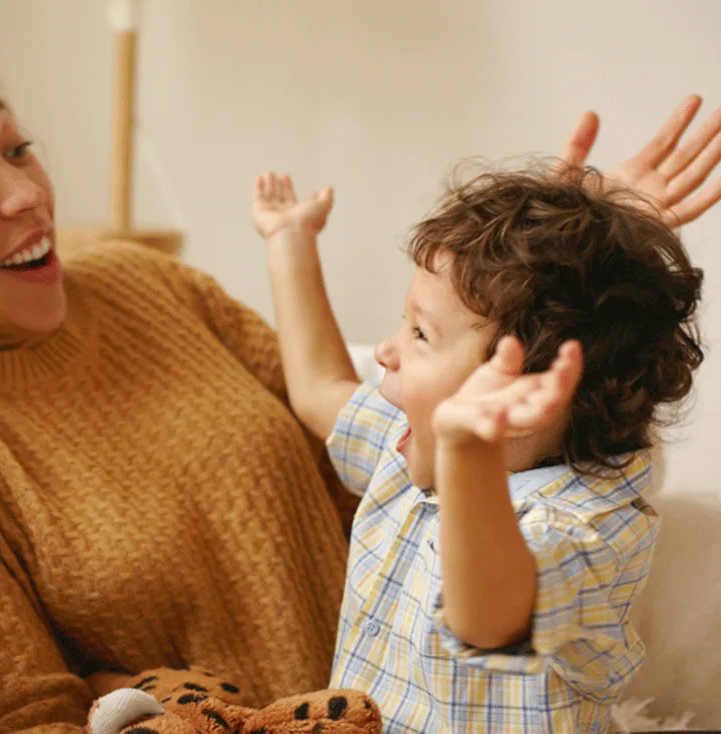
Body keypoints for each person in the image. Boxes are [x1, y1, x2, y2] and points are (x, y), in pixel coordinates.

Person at [0, 1, 721, 731]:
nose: (26, 193)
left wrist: (562, 276)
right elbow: (30, 715)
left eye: (19, 147)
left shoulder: (142, 285)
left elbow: (350, 421)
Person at [250, 162, 704, 733]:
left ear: (518, 398)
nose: (386, 351)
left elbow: (488, 619)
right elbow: (320, 390)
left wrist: (468, 457)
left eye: (420, 333)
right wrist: (289, 240)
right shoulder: (412, 452)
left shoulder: (589, 528)